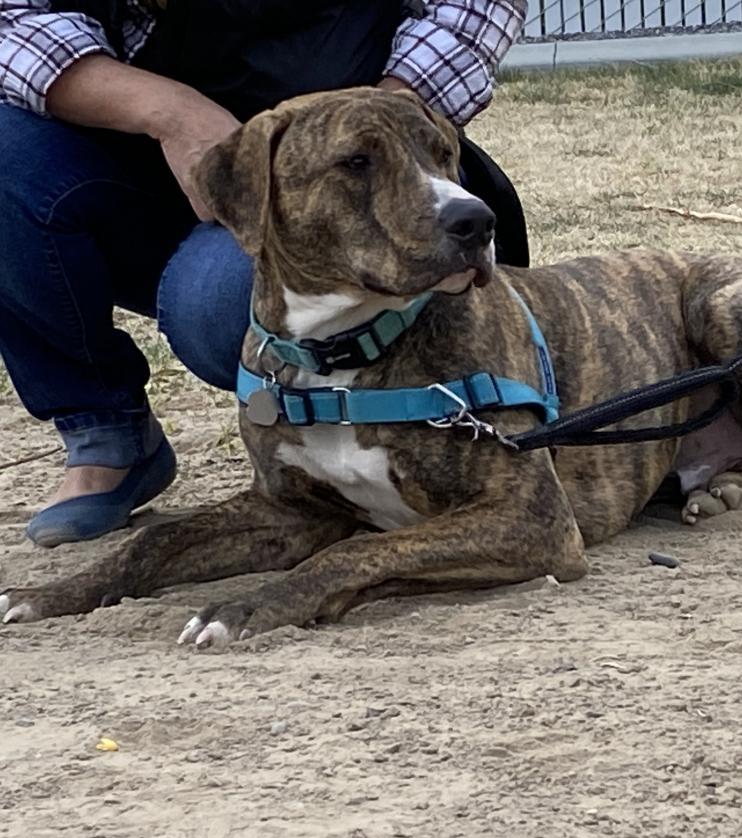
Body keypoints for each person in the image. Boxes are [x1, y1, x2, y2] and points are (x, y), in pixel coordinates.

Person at [0, 0, 529, 547]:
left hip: (339, 169)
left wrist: (373, 124)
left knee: (223, 307)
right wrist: (171, 113)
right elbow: (14, 18)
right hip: (137, 150)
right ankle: (104, 429)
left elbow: (478, 7)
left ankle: (377, 449)